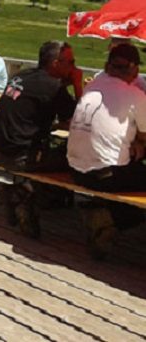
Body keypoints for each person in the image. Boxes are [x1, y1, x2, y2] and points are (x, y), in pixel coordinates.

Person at [0, 41, 79, 237]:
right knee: (79, 161)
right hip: (21, 157)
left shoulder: (22, 75)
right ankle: (28, 198)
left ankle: (19, 191)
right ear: (56, 62)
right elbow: (79, 121)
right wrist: (78, 84)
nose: (74, 67)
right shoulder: (52, 86)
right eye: (70, 62)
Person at [67, 44, 146, 256]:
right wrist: (137, 140)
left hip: (75, 171)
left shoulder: (92, 87)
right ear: (135, 71)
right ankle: (109, 220)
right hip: (104, 175)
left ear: (106, 66)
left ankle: (104, 213)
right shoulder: (135, 94)